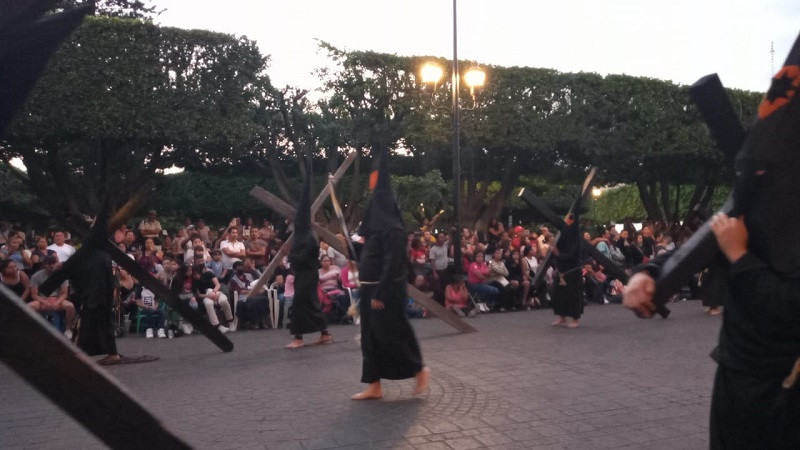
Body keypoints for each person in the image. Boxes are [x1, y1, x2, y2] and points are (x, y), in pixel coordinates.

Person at [624, 58, 800, 447]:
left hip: (787, 387)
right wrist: (649, 273)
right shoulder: (758, 191)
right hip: (735, 372)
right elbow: (706, 238)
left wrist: (740, 257)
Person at [352, 144, 428, 401]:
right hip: (369, 288)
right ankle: (374, 385)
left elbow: (393, 264)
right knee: (369, 338)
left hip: (385, 291)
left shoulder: (394, 230)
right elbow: (368, 256)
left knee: (393, 334)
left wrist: (380, 293)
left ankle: (419, 370)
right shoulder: (374, 231)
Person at [285, 162, 332, 349]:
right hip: (304, 274)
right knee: (311, 302)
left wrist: (290, 256)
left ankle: (298, 337)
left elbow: (303, 257)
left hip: (307, 273)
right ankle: (325, 333)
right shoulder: (302, 235)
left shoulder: (310, 237)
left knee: (299, 304)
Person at [28, 255, 75, 338]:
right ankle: (33, 328)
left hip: (57, 299)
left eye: (53, 263)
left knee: (70, 306)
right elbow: (34, 294)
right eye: (49, 263)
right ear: (44, 264)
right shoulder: (36, 276)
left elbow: (64, 293)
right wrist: (44, 301)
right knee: (29, 306)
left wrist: (57, 302)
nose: (51, 265)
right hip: (42, 299)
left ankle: (68, 329)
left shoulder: (61, 274)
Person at [551, 212, 584, 328]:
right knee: (558, 294)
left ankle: (575, 319)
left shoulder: (576, 238)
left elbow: (574, 256)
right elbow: (556, 249)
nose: (566, 221)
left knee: (573, 295)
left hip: (572, 270)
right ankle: (562, 316)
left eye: (569, 219)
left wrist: (558, 254)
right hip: (561, 269)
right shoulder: (562, 235)